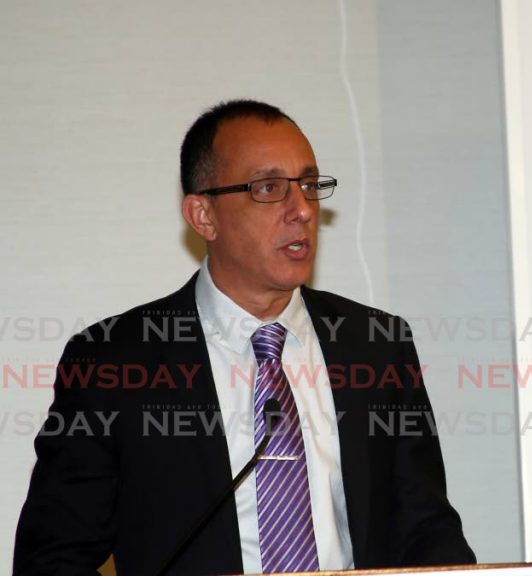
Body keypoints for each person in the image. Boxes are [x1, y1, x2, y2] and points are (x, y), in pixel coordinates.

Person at [13, 100, 475, 575]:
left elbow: (427, 530)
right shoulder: (113, 361)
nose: (302, 211)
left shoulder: (377, 346)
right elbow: (53, 557)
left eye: (310, 186)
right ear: (203, 215)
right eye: (269, 188)